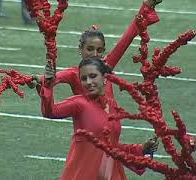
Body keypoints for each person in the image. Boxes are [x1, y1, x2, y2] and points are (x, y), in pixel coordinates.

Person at [40, 57, 159, 180]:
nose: (88, 82)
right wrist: (48, 85)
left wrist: (141, 148)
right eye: (84, 79)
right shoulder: (79, 103)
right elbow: (50, 111)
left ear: (104, 78)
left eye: (93, 76)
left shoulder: (112, 106)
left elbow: (111, 146)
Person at [28, 0, 163, 96]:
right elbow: (52, 78)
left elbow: (126, 39)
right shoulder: (74, 73)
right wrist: (37, 80)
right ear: (80, 49)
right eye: (90, 49)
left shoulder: (106, 66)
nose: (94, 54)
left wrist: (146, 5)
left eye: (99, 50)